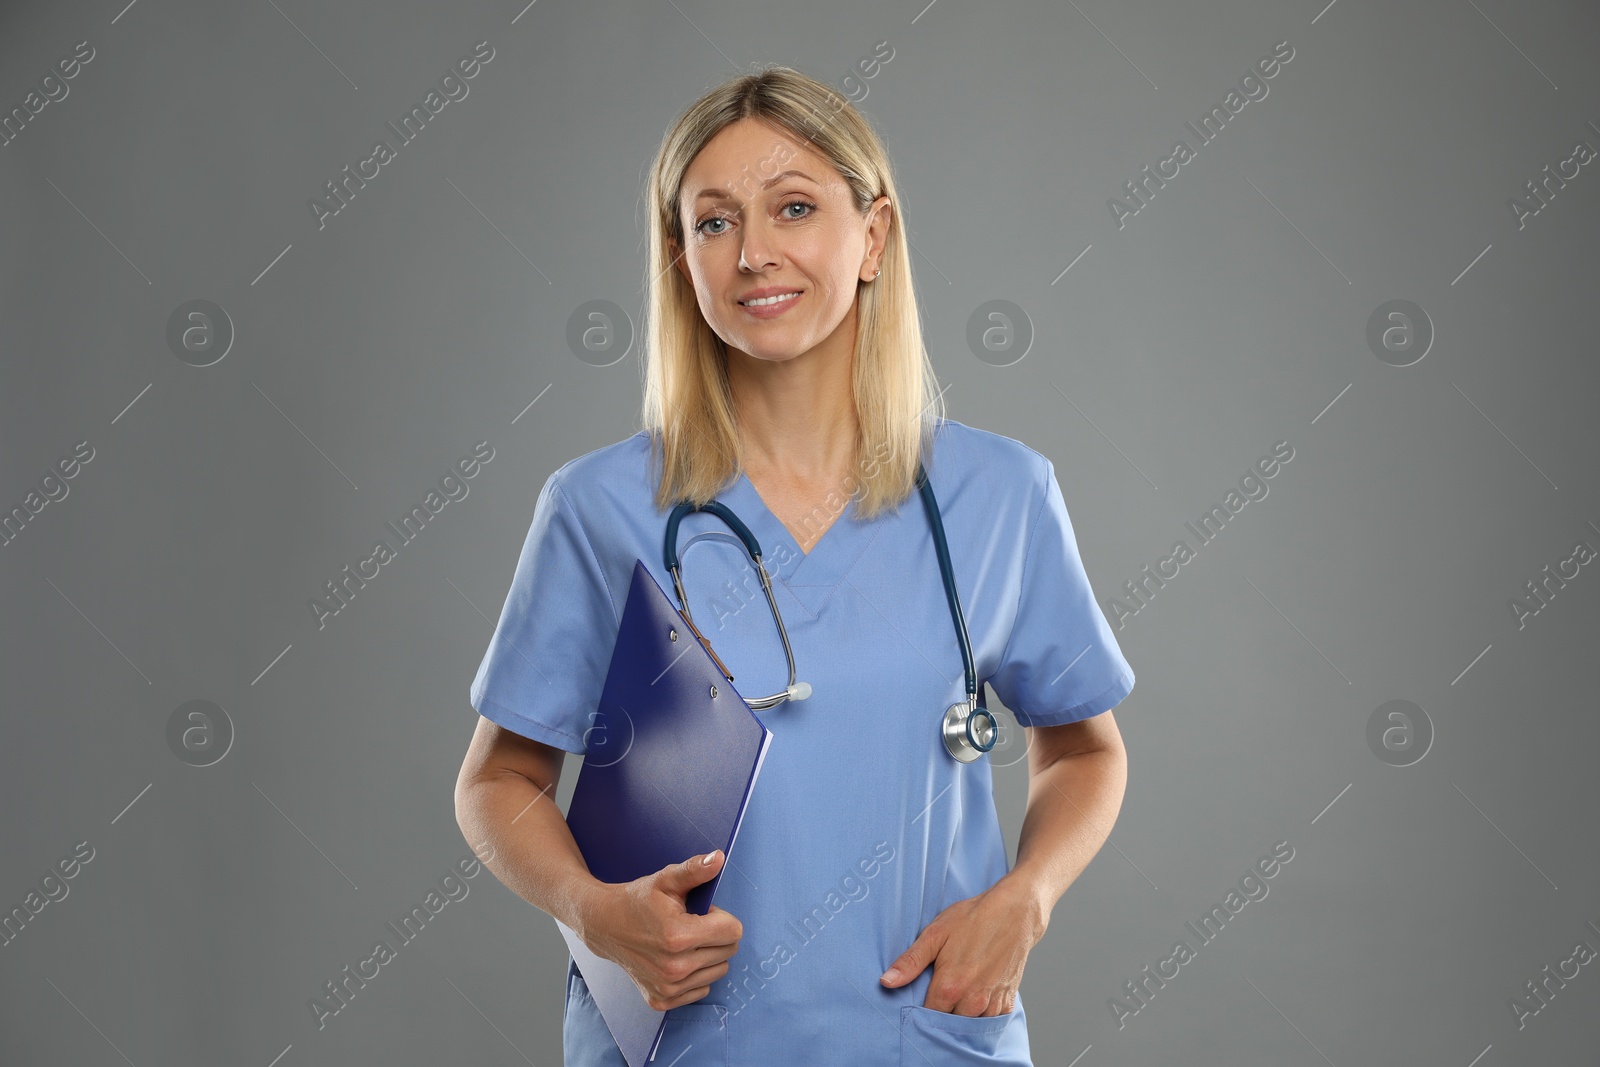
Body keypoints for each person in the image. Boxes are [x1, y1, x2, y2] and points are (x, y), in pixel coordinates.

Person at [454, 65, 1135, 1066]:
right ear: (680, 257)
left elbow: (1085, 750)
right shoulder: (600, 508)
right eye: (715, 222)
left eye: (795, 207)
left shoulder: (1000, 496)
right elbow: (498, 779)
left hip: (924, 1033)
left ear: (874, 236)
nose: (754, 253)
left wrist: (1024, 897)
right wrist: (596, 912)